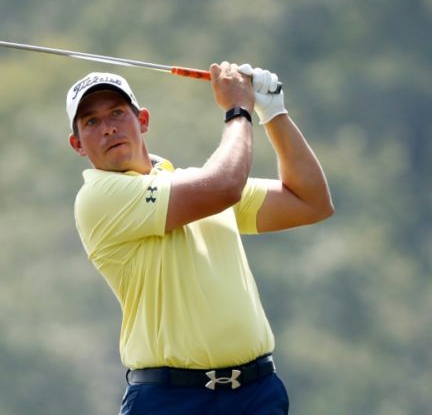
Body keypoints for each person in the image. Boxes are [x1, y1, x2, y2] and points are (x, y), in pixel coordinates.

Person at [65, 62, 334, 415]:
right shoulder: (99, 198)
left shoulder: (196, 185)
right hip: (170, 400)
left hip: (257, 394)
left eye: (117, 112)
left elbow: (310, 202)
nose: (108, 128)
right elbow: (223, 187)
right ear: (77, 144)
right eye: (91, 122)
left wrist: (274, 113)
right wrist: (238, 110)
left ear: (142, 120)